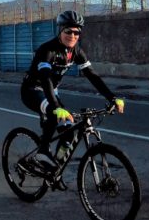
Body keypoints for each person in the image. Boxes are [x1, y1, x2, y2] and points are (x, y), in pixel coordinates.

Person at [21, 10, 124, 177]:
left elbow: (92, 75)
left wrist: (112, 97)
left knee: (70, 130)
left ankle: (56, 168)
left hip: (51, 92)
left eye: (77, 32)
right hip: (32, 90)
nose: (73, 35)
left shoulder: (76, 51)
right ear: (60, 30)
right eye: (68, 31)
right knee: (55, 113)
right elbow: (46, 79)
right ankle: (42, 152)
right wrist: (55, 106)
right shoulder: (47, 50)